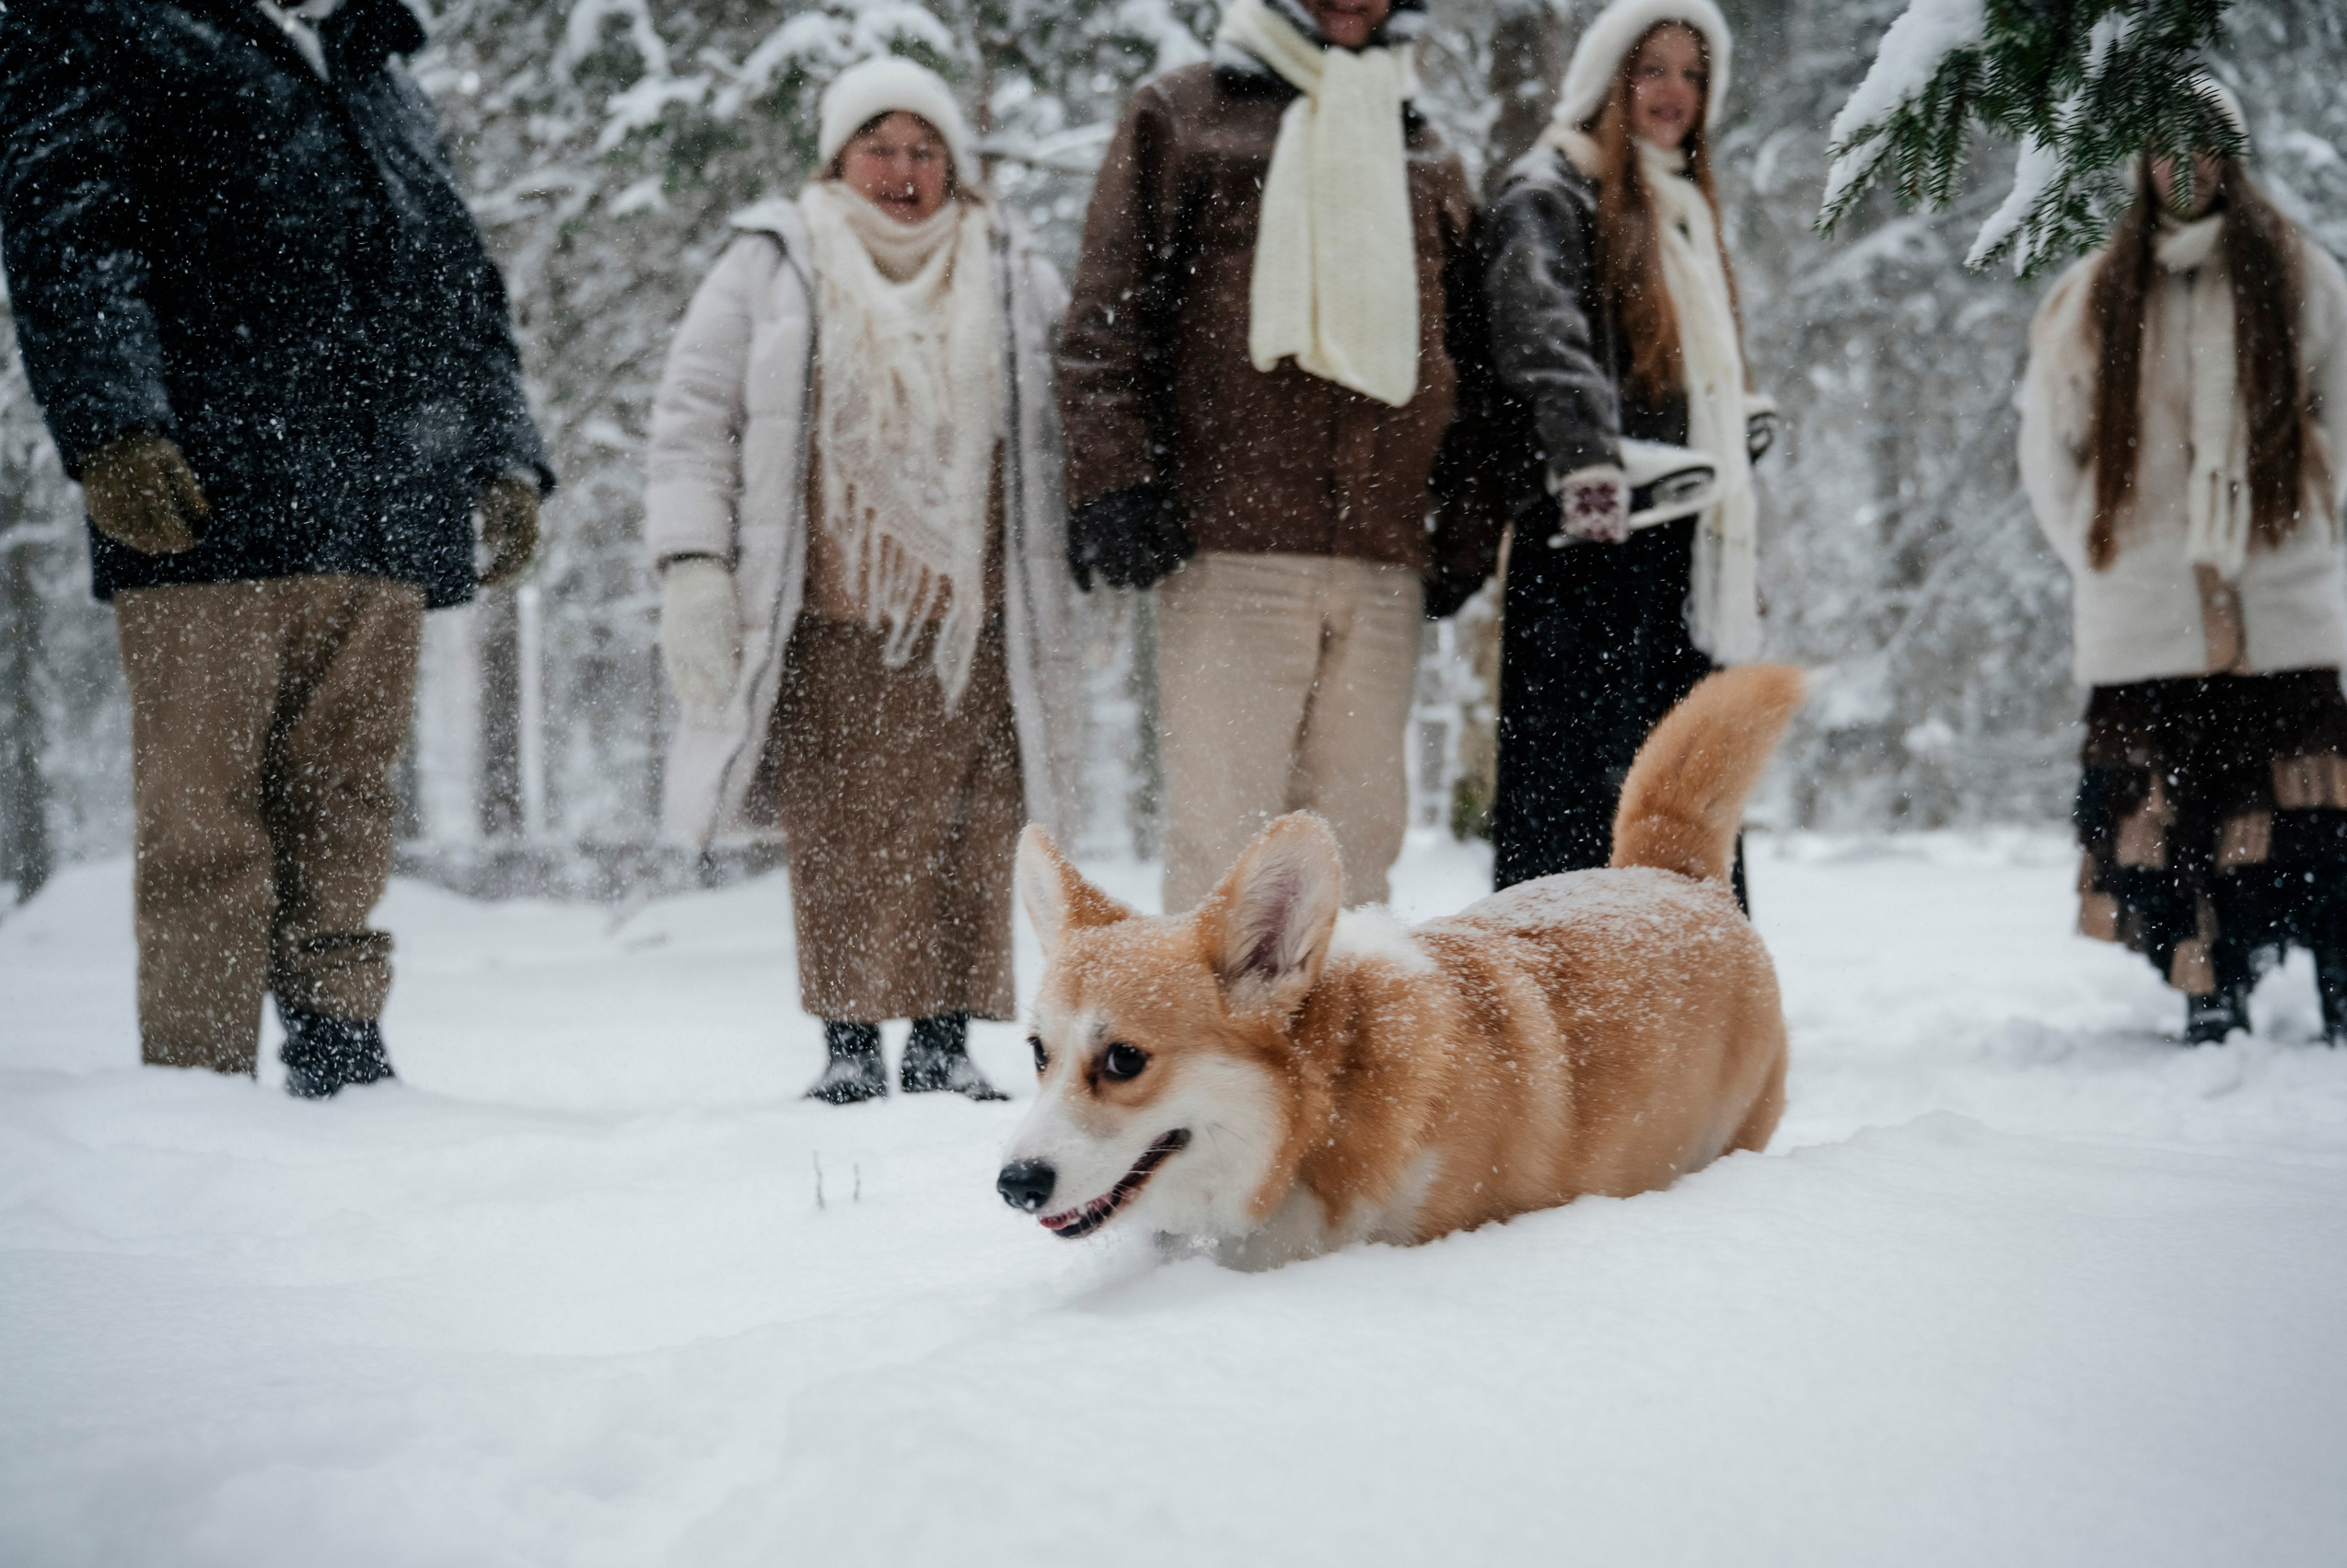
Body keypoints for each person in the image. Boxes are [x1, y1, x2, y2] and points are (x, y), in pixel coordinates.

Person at [0, 0, 550, 1096]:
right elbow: (65, 223)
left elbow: (454, 269)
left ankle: (340, 1043)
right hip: (205, 494)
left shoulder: (373, 55)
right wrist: (113, 423)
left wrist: (502, 447)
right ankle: (199, 1081)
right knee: (207, 820)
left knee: (345, 801)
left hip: (380, 499)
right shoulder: (106, 21)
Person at [646, 57, 1084, 1103]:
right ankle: (850, 1045)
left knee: (971, 832)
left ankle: (941, 1042)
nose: (901, 171)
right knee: (841, 832)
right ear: (836, 158)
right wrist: (693, 563)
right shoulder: (774, 260)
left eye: (924, 150)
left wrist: (1097, 547)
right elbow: (693, 416)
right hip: (829, 613)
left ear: (954, 166)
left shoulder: (1013, 262)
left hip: (977, 619)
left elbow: (1070, 424)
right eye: (878, 148)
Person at [1056, 0, 1489, 914]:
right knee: (1223, 847)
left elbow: (1473, 356)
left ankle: (1349, 1054)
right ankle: (1210, 1055)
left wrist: (1467, 524)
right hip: (1226, 541)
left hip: (1382, 550)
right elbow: (1106, 314)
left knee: (1357, 845)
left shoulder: (1424, 146)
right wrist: (1116, 480)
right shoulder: (1183, 115)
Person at [2019, 78, 2347, 1045]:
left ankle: (2340, 977)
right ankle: (2206, 982)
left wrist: (2300, 521)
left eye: (2201, 146)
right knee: (2175, 810)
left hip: (2278, 601)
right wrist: (2108, 554)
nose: (2182, 166)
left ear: (2230, 155)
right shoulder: (2094, 292)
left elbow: (2342, 416)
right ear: (2138, 163)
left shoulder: (2298, 275)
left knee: (2313, 812)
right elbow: (2053, 454)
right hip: (2145, 611)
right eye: (2162, 148)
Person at [1478, 0, 1775, 899]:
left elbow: (1676, 380)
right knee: (1581, 795)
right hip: (1589, 541)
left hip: (1672, 552)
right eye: (1653, 68)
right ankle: (1565, 1003)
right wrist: (1590, 460)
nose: (1674, 91)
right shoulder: (1552, 191)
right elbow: (1540, 339)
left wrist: (1732, 434)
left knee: (1683, 791)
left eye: (1693, 73)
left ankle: (1690, 1001)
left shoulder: (1680, 207)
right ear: (1609, 79)